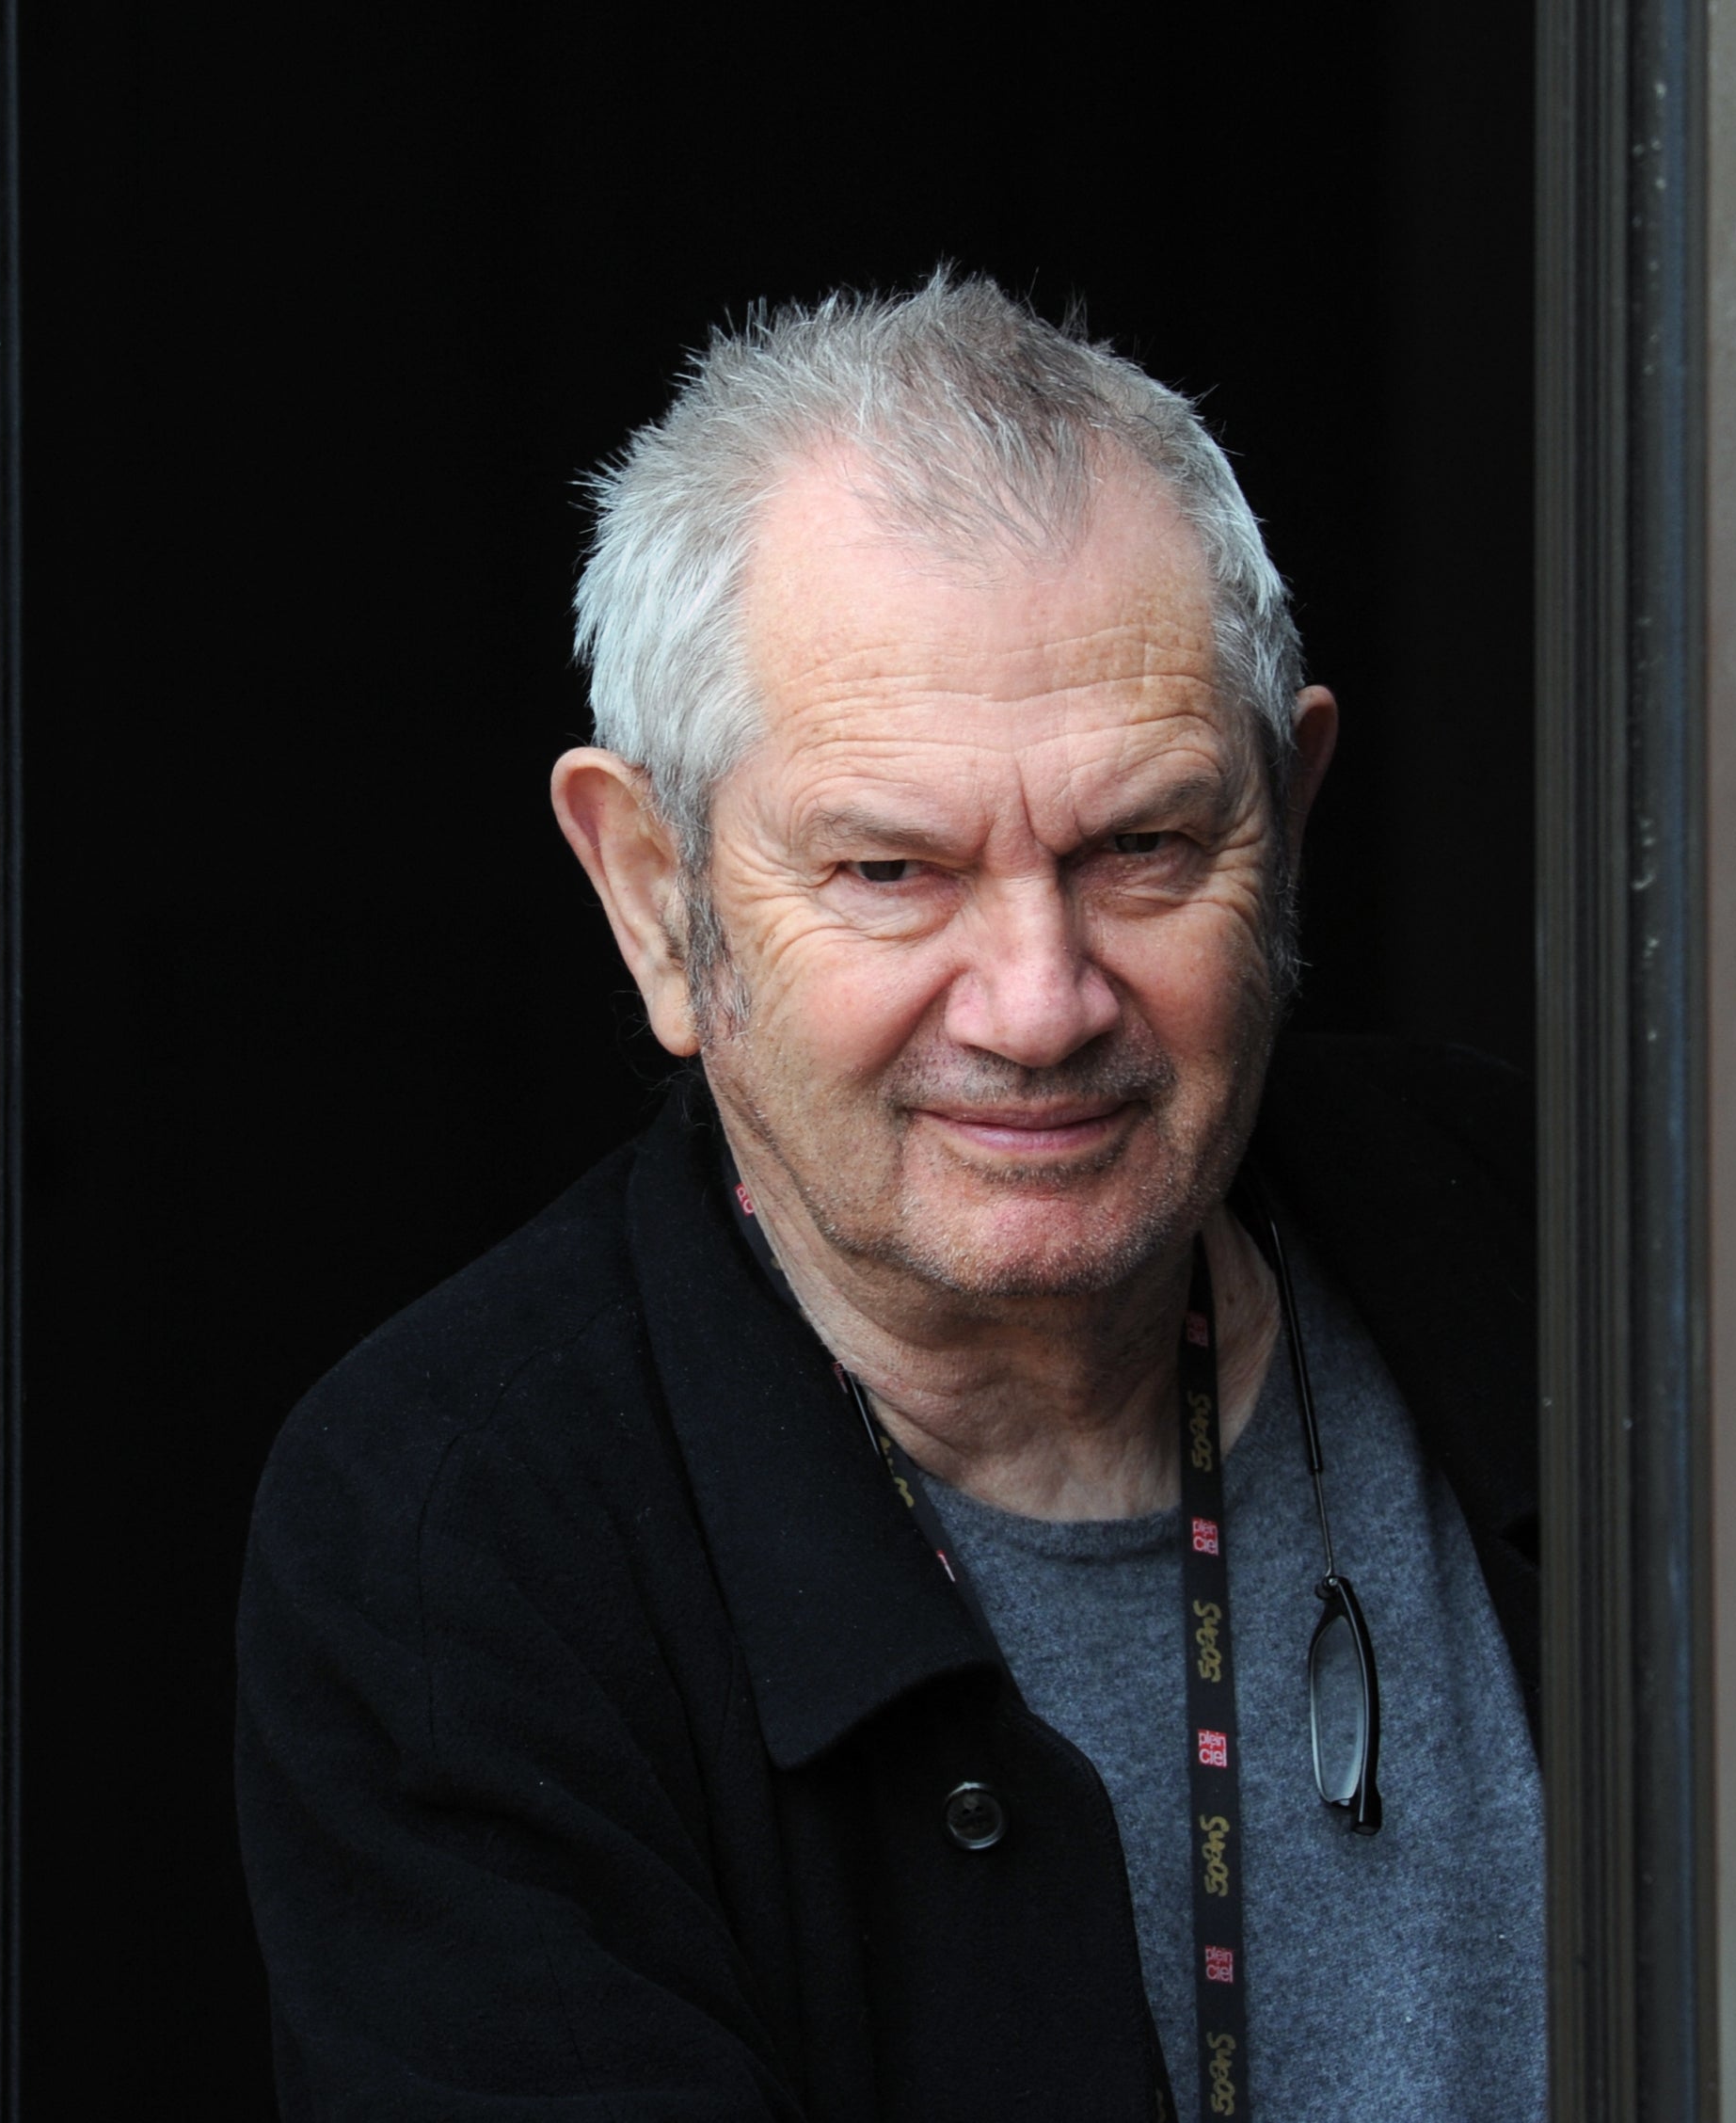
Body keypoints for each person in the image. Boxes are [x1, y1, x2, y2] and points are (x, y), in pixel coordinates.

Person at [235, 273, 1543, 2120]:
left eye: (1145, 848)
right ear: (650, 898)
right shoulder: (459, 1540)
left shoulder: (1555, 1250)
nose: (1038, 1002)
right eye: (888, 869)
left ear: (1291, 818)